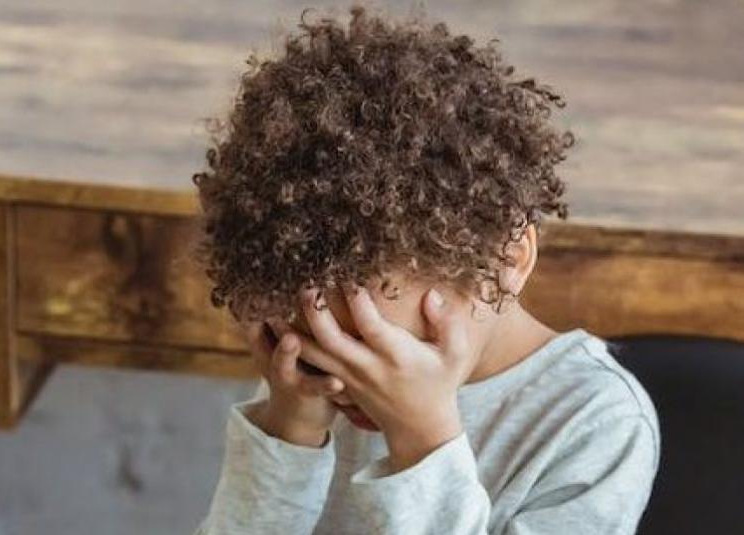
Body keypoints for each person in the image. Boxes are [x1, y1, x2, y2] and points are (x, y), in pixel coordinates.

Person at [189, 4, 660, 534]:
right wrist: (289, 430)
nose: (349, 386)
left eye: (379, 351)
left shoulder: (594, 424)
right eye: (320, 355)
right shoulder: (313, 385)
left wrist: (422, 439)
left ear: (506, 261)